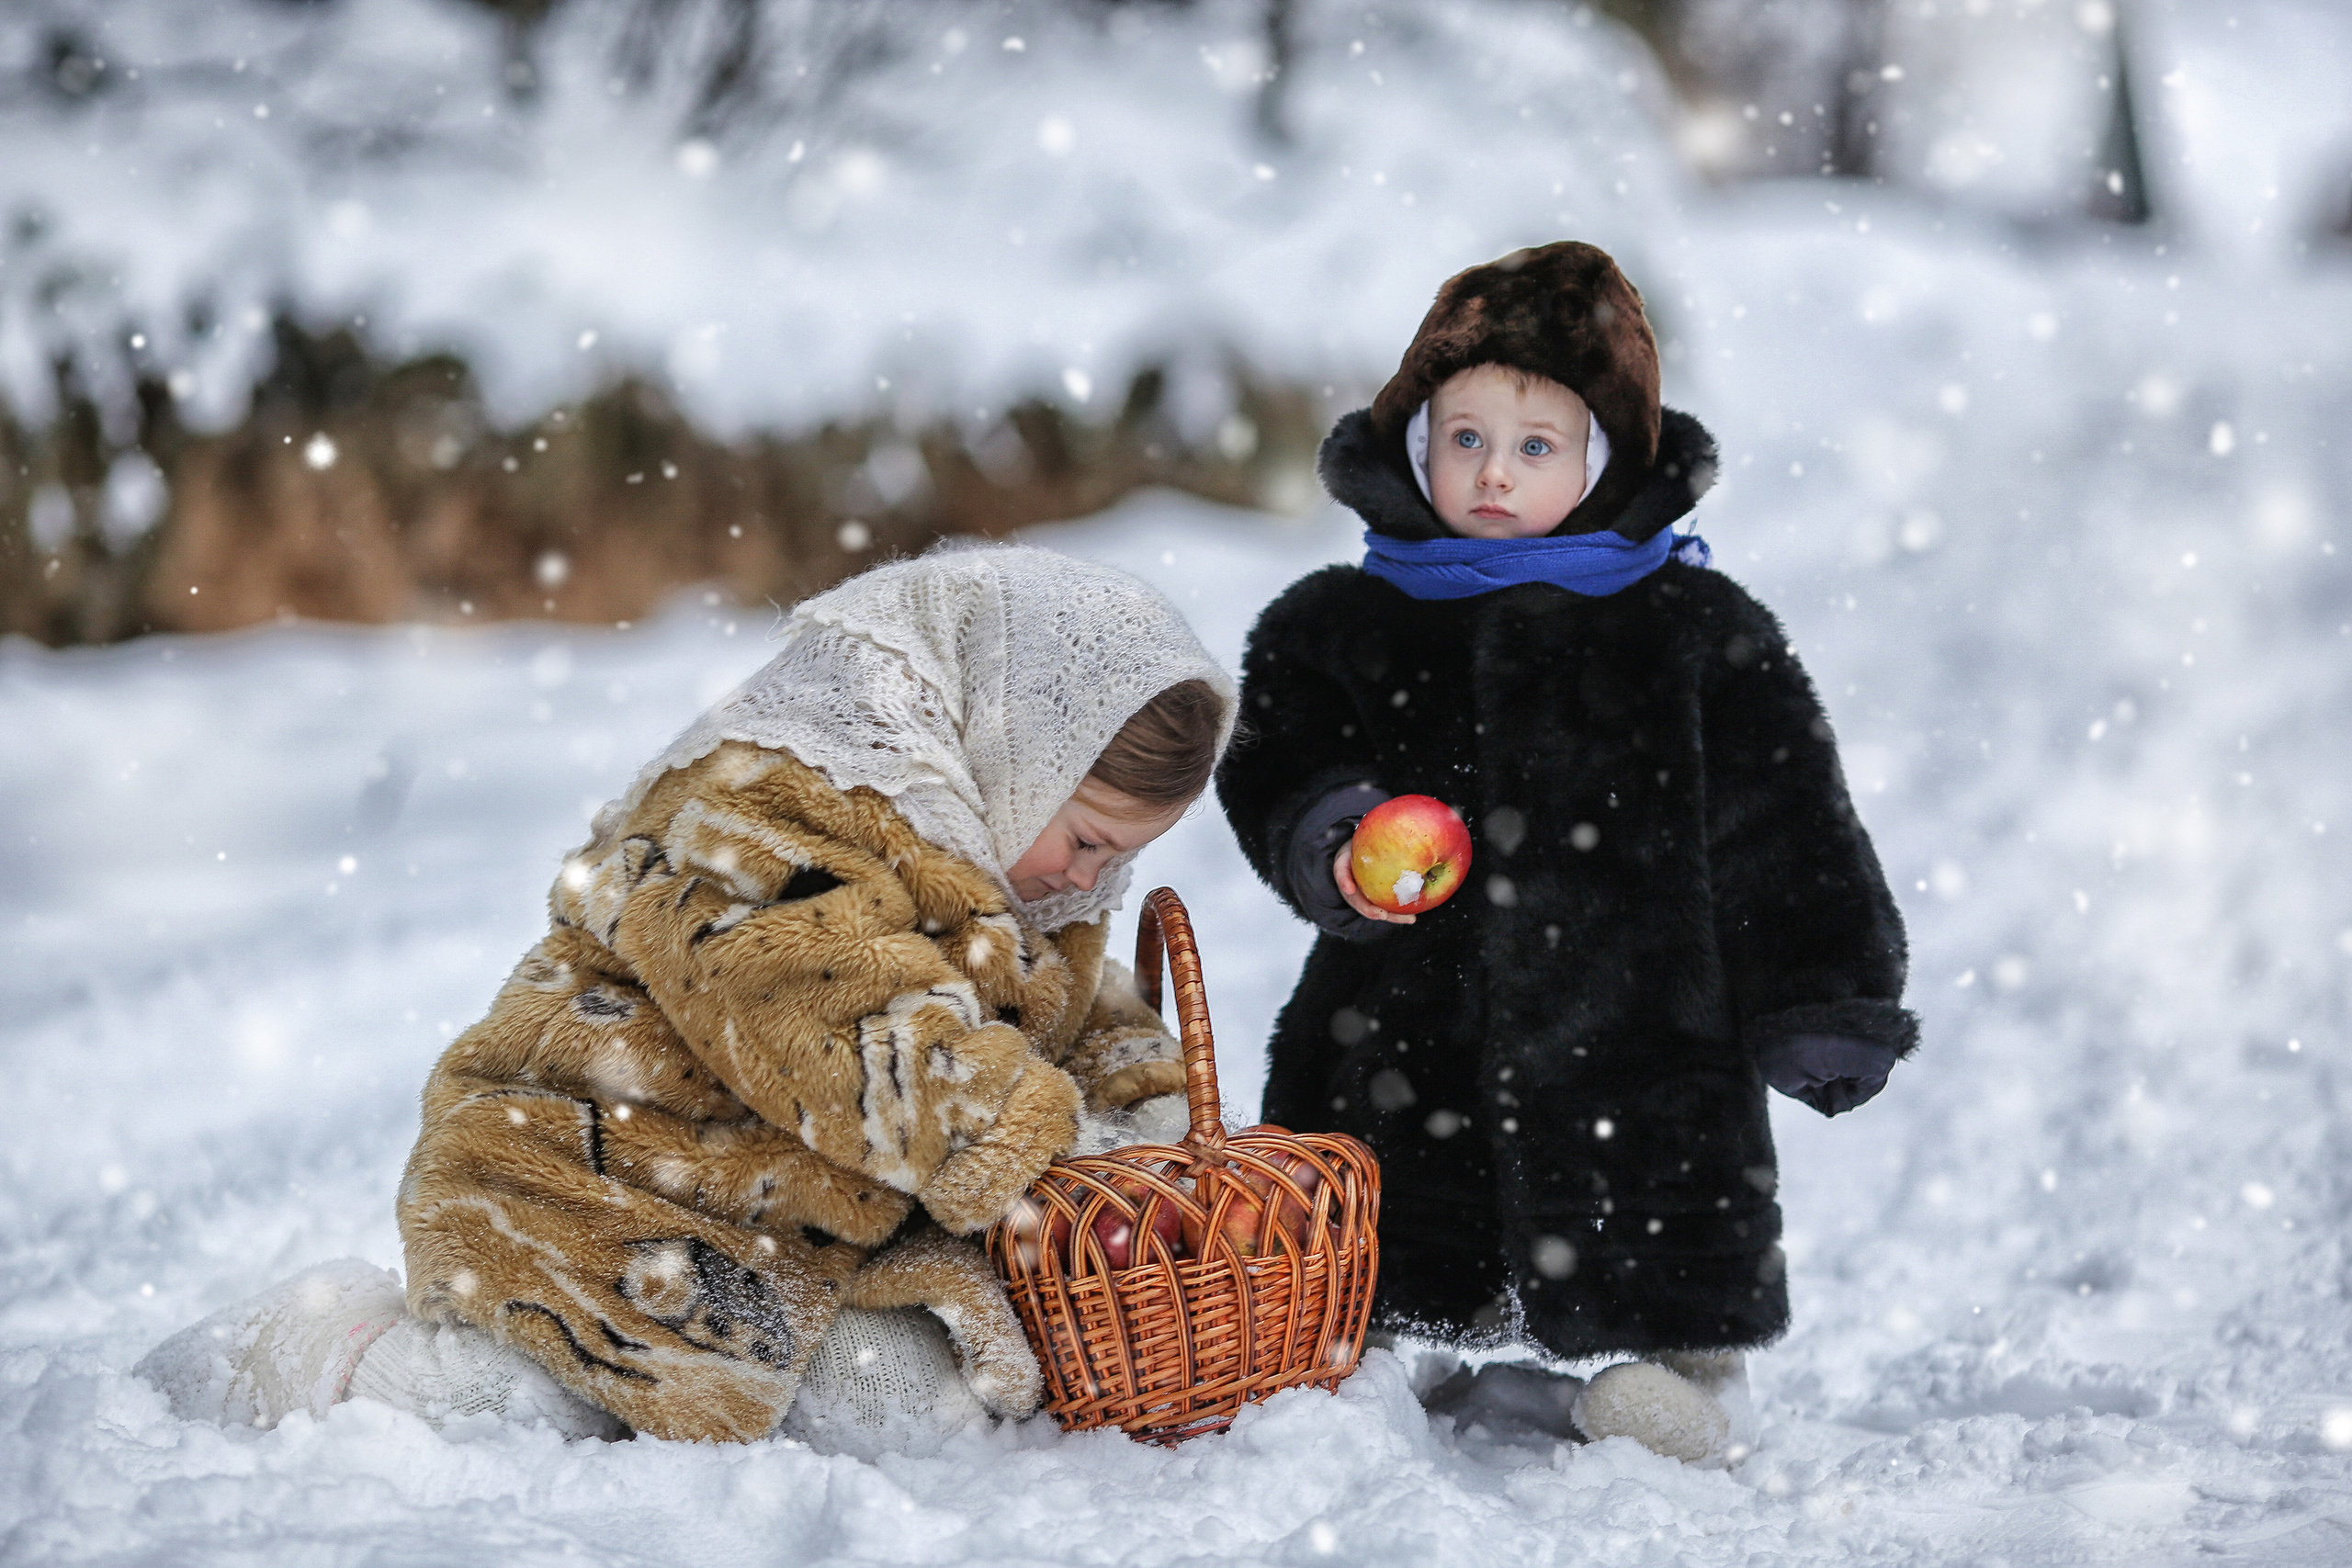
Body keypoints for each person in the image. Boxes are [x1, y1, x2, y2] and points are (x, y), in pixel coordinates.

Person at [139, 545, 1235, 1453]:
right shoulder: (771, 803)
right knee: (495, 1409)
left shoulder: (1016, 858)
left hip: (791, 1233)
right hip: (597, 1184)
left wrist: (1154, 1119)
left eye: (1119, 860)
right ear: (1018, 749)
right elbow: (838, 1020)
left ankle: (722, 1378)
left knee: (920, 1409)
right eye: (1086, 839)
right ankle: (302, 1353)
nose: (1087, 881)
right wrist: (1058, 1145)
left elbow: (1073, 1005)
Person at [1216, 242, 1917, 1463]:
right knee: (1385, 1190)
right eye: (1464, 435)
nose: (1492, 473)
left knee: (1655, 1188)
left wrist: (1825, 992)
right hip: (1401, 1009)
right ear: (1414, 439)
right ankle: (1393, 1328)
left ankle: (1683, 1365)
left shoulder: (1695, 629)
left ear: (1606, 458)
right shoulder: (1345, 622)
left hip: (1645, 1020)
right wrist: (1337, 832)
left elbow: (1788, 824)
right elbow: (1277, 754)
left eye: (1536, 445)